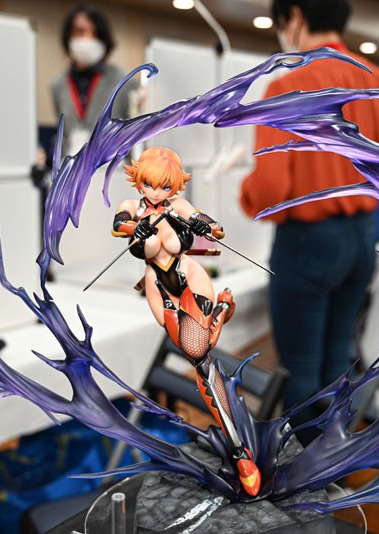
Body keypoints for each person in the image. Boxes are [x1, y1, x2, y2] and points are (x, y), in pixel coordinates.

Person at [240, 0, 379, 444]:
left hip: (307, 242)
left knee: (300, 367)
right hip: (362, 235)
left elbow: (270, 189)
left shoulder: (287, 87)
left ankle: (305, 471)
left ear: (295, 17)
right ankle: (336, 455)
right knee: (338, 356)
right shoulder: (378, 81)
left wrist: (246, 193)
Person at [112, 147, 260, 496]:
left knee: (200, 357)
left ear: (174, 185)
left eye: (164, 186)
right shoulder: (132, 205)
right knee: (197, 349)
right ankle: (220, 312)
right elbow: (119, 226)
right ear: (140, 181)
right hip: (158, 285)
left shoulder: (178, 205)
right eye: (150, 184)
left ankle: (240, 452)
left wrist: (205, 225)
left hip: (189, 275)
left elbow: (213, 227)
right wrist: (136, 226)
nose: (156, 192)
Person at [52, 5, 137, 155]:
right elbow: (63, 135)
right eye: (80, 31)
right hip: (71, 165)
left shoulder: (125, 82)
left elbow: (134, 136)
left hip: (112, 166)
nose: (88, 38)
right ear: (68, 36)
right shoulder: (58, 86)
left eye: (95, 34)